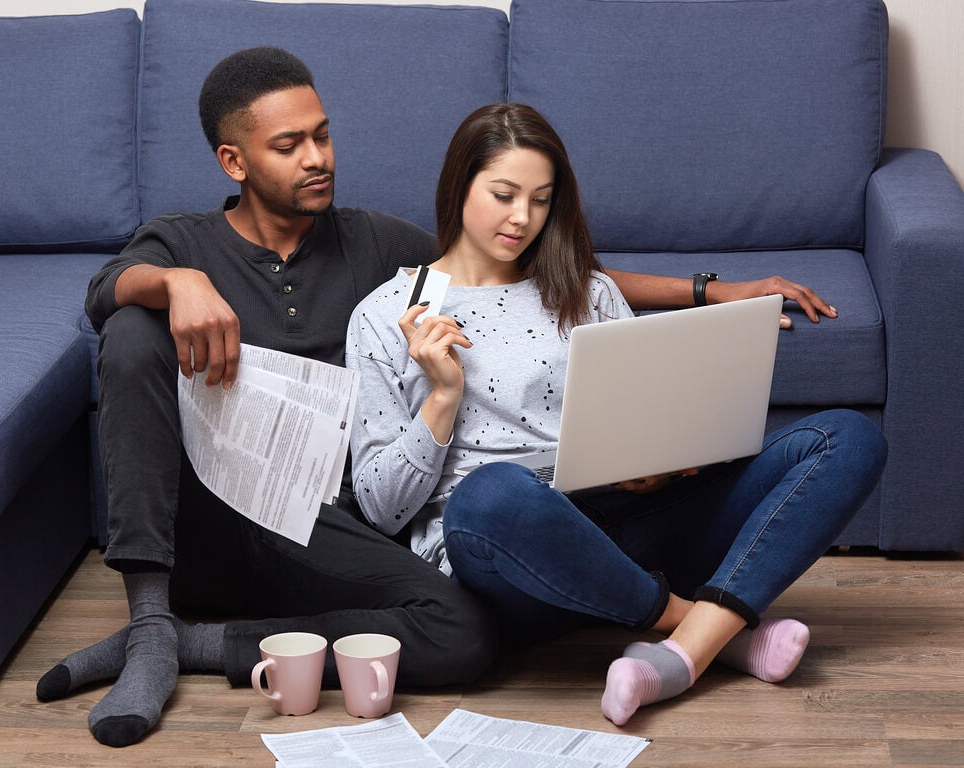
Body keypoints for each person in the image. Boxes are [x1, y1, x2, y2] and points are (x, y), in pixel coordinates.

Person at [345, 103, 888, 727]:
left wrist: (660, 462)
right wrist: (441, 398)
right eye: (503, 195)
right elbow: (383, 509)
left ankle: (686, 648)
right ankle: (708, 628)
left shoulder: (588, 290)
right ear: (458, 185)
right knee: (491, 495)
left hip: (629, 529)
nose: (522, 218)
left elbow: (642, 420)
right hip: (513, 558)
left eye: (541, 200)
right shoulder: (385, 316)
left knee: (847, 437)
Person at [35, 47, 500, 748]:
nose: (317, 158)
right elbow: (104, 292)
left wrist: (681, 293)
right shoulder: (183, 241)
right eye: (289, 146)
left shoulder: (372, 242)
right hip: (207, 533)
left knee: (464, 630)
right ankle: (151, 617)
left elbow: (506, 268)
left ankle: (189, 645)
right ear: (235, 161)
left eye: (323, 135)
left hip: (322, 533)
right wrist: (179, 283)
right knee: (132, 329)